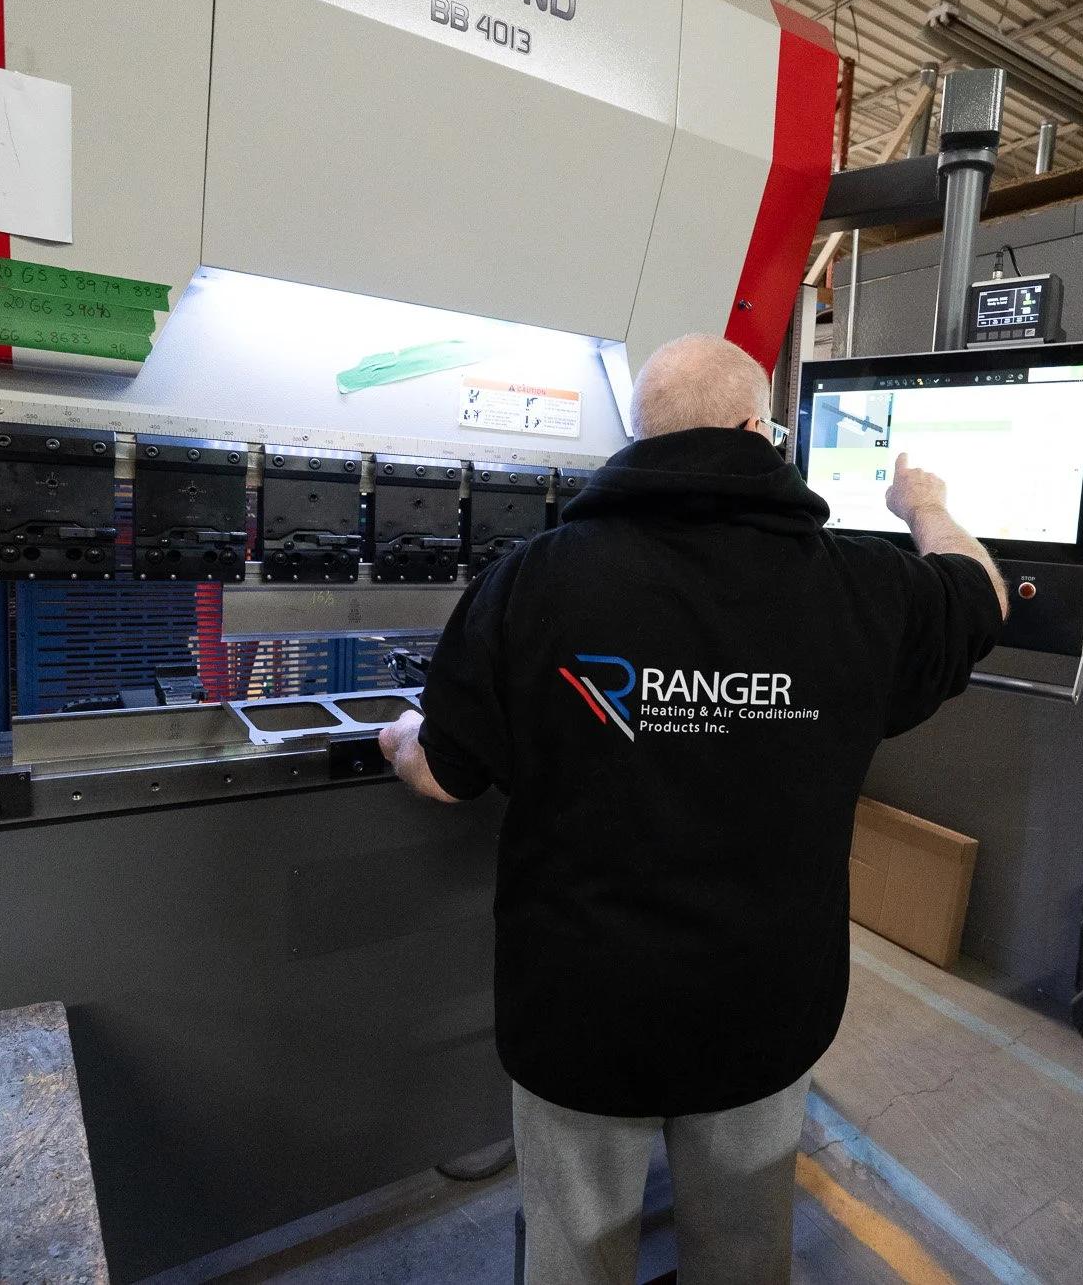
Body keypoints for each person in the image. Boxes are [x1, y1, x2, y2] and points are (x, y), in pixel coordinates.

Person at [379, 333, 1006, 1285]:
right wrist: (926, 504)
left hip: (582, 1011)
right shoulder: (862, 585)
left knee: (573, 1251)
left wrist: (395, 735)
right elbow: (983, 599)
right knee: (746, 1250)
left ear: (641, 440)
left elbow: (445, 773)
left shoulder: (536, 578)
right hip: (763, 1004)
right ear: (762, 432)